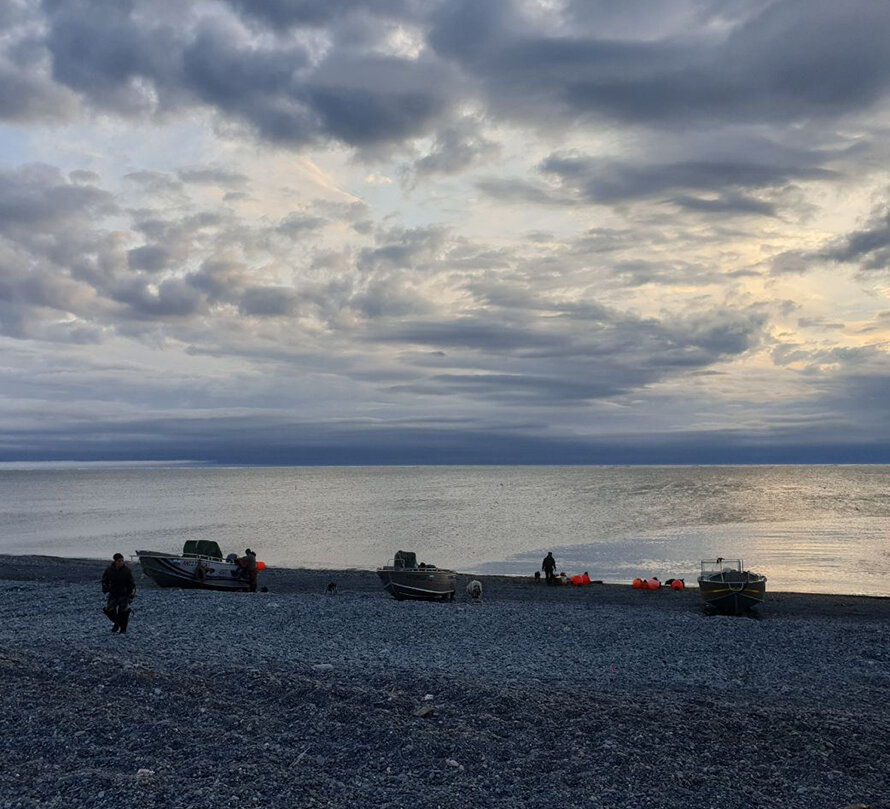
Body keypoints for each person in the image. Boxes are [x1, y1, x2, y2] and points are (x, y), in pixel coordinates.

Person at [101, 553, 135, 634]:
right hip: (113, 593)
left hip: (124, 594)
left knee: (124, 612)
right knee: (109, 610)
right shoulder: (109, 570)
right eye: (119, 561)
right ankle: (117, 623)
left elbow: (132, 584)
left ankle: (123, 629)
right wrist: (106, 588)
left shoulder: (127, 570)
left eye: (122, 561)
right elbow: (104, 581)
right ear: (115, 561)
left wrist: (131, 595)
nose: (121, 562)